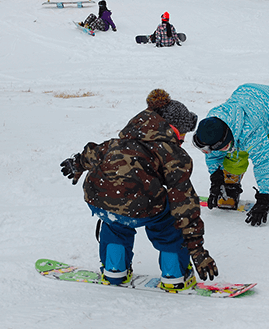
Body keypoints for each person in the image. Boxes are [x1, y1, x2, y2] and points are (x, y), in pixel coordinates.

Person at [60, 89, 218, 292]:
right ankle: (175, 275)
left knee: (115, 222)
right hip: (142, 208)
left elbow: (92, 153)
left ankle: (114, 270)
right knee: (168, 224)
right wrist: (197, 249)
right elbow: (184, 203)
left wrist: (77, 164)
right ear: (173, 130)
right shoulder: (174, 155)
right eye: (184, 134)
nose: (184, 140)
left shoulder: (117, 143)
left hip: (100, 201)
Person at [192, 84, 269, 226]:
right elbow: (213, 154)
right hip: (247, 98)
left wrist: (264, 197)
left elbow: (264, 161)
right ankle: (230, 183)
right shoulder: (212, 124)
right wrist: (216, 178)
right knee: (234, 153)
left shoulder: (250, 131)